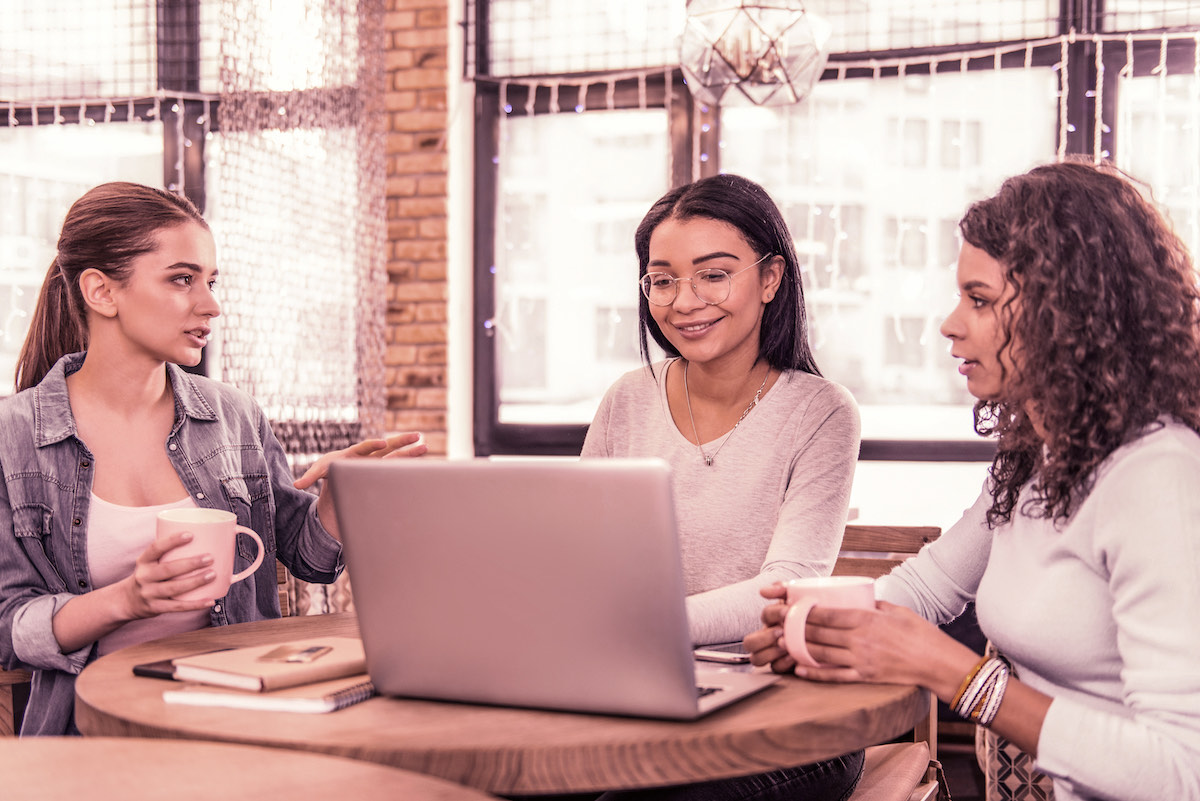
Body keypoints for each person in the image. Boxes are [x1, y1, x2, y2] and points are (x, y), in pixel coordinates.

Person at [745, 160, 1200, 801]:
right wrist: (817, 627)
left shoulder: (1158, 476)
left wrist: (950, 670)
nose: (950, 323)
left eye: (979, 299)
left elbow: (1183, 772)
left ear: (1070, 314)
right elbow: (928, 587)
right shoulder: (1037, 459)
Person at [0, 182, 426, 736]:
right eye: (182, 279)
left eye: (210, 280)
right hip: (89, 734)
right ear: (101, 291)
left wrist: (344, 497)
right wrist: (127, 599)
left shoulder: (234, 416)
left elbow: (311, 559)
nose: (211, 305)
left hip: (238, 721)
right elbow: (8, 626)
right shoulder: (14, 437)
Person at [582, 173, 863, 801]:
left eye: (714, 274)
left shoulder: (821, 411)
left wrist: (643, 625)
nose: (684, 301)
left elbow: (787, 588)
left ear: (770, 279)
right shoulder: (628, 400)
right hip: (638, 695)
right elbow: (584, 563)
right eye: (662, 279)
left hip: (788, 717)